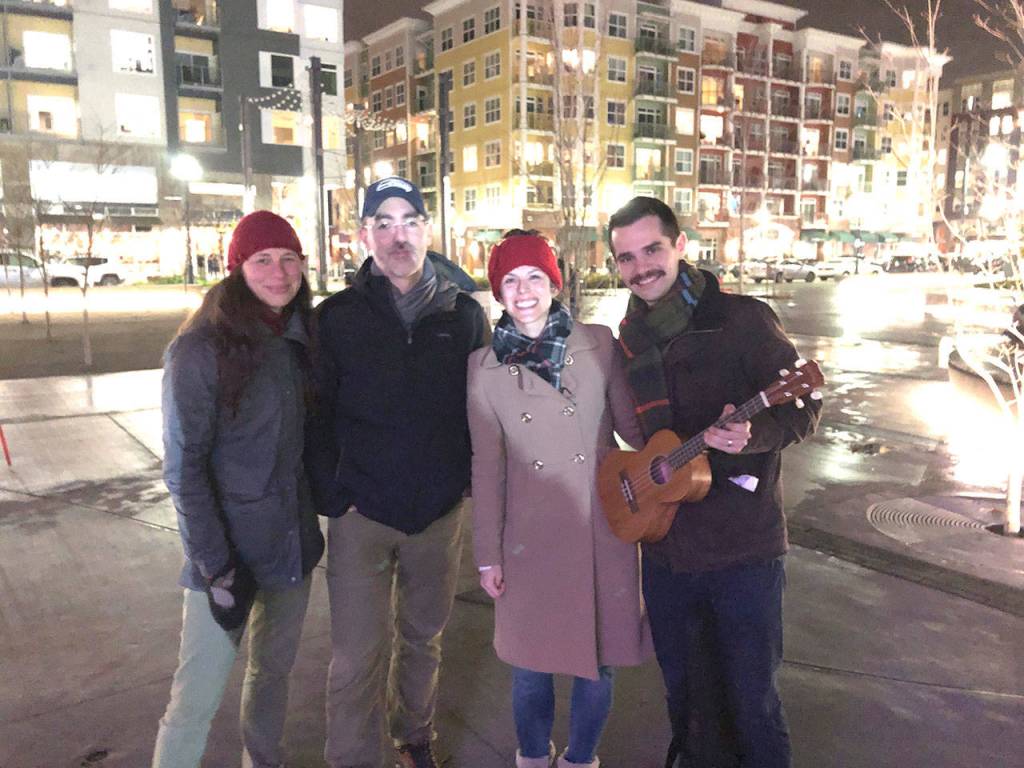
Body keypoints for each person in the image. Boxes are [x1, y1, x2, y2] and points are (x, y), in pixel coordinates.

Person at [606, 197, 822, 768]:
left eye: (652, 249)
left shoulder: (743, 319)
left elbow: (802, 409)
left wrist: (750, 433)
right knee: (685, 700)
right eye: (626, 257)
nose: (641, 266)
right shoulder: (628, 338)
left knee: (752, 702)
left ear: (680, 246)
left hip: (741, 551)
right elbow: (642, 440)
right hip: (667, 549)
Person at [306, 176, 489, 768]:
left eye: (408, 220)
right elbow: (315, 414)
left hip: (437, 516)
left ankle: (414, 736)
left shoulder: (463, 317)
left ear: (427, 229)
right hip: (362, 517)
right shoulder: (336, 318)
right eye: (382, 223)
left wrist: (463, 482)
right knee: (357, 654)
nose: (397, 235)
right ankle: (351, 758)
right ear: (364, 236)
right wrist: (337, 495)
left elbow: (481, 407)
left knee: (423, 640)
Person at [467, 231, 653, 768]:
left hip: (601, 528)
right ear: (498, 293)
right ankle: (531, 757)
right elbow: (487, 467)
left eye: (534, 277)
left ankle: (580, 759)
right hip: (527, 539)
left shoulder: (599, 344)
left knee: (600, 661)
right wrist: (487, 555)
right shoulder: (482, 370)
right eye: (509, 280)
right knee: (530, 667)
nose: (523, 291)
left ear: (554, 282)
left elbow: (633, 430)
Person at [153, 210, 324, 768]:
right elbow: (184, 470)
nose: (279, 273)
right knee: (195, 697)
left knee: (271, 676)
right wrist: (215, 566)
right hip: (223, 559)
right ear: (237, 269)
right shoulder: (200, 350)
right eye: (263, 260)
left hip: (289, 547)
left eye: (289, 259)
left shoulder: (298, 340)